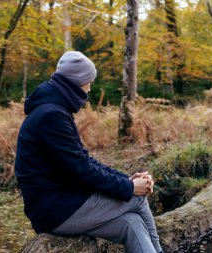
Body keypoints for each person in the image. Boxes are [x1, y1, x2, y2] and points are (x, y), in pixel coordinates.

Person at [14, 51, 163, 253]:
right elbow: (82, 170)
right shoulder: (50, 116)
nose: (90, 88)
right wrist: (129, 188)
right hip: (53, 210)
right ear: (76, 82)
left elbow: (83, 162)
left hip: (64, 201)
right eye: (88, 81)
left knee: (131, 223)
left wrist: (126, 180)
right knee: (137, 198)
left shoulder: (55, 110)